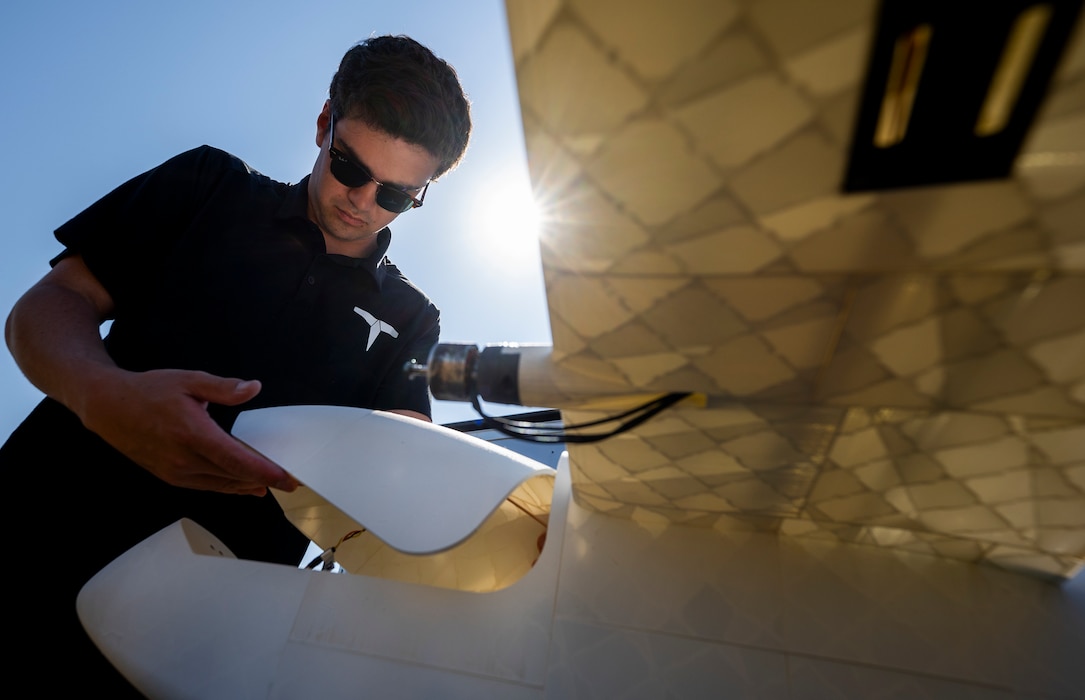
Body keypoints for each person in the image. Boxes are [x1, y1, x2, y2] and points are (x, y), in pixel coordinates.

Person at [1, 35, 471, 694]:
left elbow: (400, 452)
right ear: (321, 124)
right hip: (28, 540)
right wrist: (99, 393)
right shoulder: (209, 186)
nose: (362, 200)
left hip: (187, 649)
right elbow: (47, 306)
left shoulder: (414, 319)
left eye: (394, 195)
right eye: (347, 165)